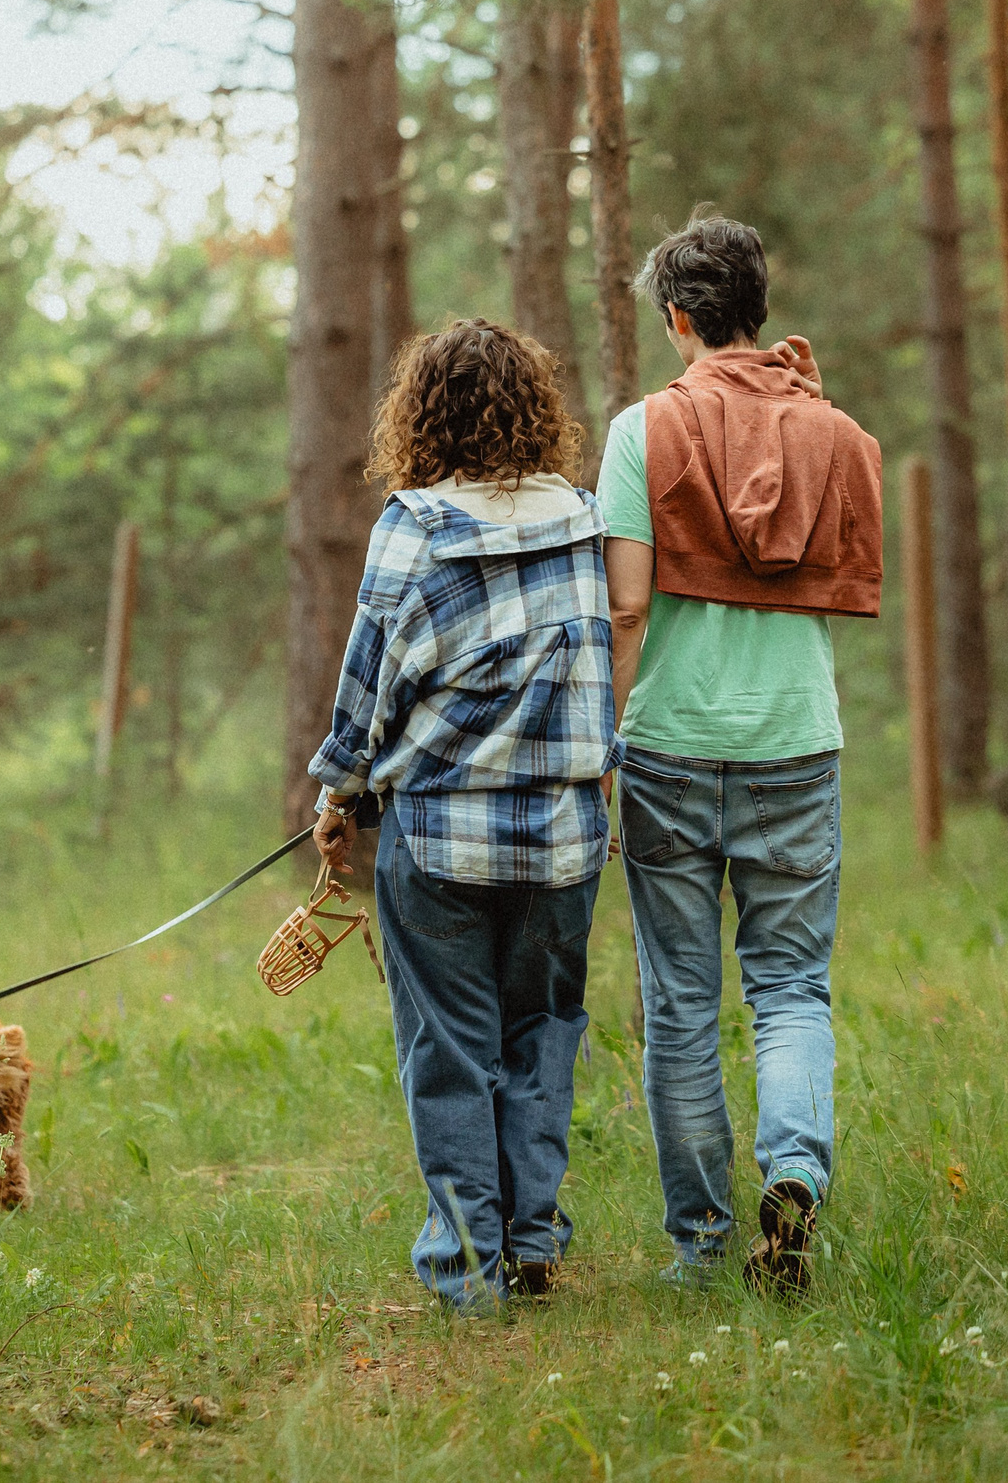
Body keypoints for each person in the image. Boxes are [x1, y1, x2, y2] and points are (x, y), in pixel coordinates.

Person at [308, 318, 622, 1311]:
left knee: (450, 1048)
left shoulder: (414, 524)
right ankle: (531, 1240)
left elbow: (368, 684)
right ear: (535, 410)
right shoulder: (580, 516)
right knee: (542, 1034)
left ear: (421, 413)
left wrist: (338, 794)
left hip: (438, 836)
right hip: (564, 839)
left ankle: (464, 1267)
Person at [597, 213, 882, 1293]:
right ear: (758, 307)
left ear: (678, 317)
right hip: (795, 744)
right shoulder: (833, 431)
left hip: (668, 742)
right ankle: (795, 1172)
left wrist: (606, 744)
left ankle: (701, 1243)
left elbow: (627, 609)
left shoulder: (642, 430)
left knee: (678, 999)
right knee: (792, 986)